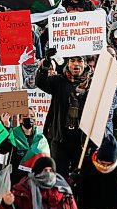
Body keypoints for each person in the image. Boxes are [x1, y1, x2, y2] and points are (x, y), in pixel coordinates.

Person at [36, 48, 92, 177]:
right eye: (72, 60)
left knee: (81, 178)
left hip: (82, 141)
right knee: (59, 177)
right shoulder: (58, 81)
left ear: (85, 64)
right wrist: (46, 64)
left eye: (80, 60)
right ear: (68, 63)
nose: (76, 64)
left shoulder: (92, 84)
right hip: (61, 139)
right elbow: (40, 82)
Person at [0, 157, 82, 209]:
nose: (48, 174)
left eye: (51, 170)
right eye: (45, 170)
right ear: (37, 172)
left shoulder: (64, 190)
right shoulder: (23, 191)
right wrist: (6, 204)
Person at [0, 108, 51, 186]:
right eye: (25, 116)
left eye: (31, 116)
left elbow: (46, 160)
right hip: (16, 181)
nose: (29, 118)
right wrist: (6, 126)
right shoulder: (13, 134)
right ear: (20, 120)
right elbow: (1, 150)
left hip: (35, 181)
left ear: (35, 120)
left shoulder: (41, 139)